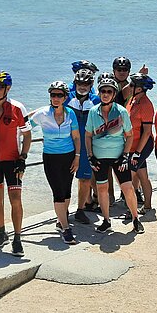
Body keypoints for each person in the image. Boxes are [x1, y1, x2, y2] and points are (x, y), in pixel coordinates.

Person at [0, 71, 32, 257]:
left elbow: (27, 135)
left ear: (7, 88)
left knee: (15, 199)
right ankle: (2, 232)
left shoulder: (17, 108)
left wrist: (23, 157)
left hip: (13, 161)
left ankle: (17, 238)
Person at [85, 75, 144, 234]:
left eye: (109, 91)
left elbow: (129, 135)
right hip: (99, 157)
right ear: (99, 93)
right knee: (101, 188)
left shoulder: (121, 111)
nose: (105, 94)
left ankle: (135, 218)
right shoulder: (93, 112)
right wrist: (90, 156)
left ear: (114, 93)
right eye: (103, 91)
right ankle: (106, 220)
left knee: (127, 187)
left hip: (119, 157)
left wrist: (125, 155)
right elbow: (88, 135)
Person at [30, 81, 81, 245]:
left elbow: (76, 137)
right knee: (58, 192)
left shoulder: (70, 113)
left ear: (65, 97)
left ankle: (61, 221)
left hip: (69, 156)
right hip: (51, 158)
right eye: (53, 95)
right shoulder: (43, 113)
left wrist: (77, 157)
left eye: (59, 95)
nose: (56, 98)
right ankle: (66, 229)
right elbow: (25, 126)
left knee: (66, 191)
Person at [65, 68, 100, 224]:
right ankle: (63, 211)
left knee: (85, 179)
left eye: (86, 84)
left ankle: (80, 210)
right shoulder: (66, 98)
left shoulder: (96, 100)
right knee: (65, 180)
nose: (82, 86)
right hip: (67, 145)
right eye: (79, 83)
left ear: (91, 84)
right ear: (75, 83)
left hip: (87, 146)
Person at [125, 72, 156, 213]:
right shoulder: (132, 100)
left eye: (132, 85)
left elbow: (147, 132)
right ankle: (147, 205)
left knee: (129, 178)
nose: (129, 86)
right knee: (142, 174)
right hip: (133, 145)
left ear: (139, 88)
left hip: (143, 145)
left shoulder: (146, 104)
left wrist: (137, 153)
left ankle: (131, 210)